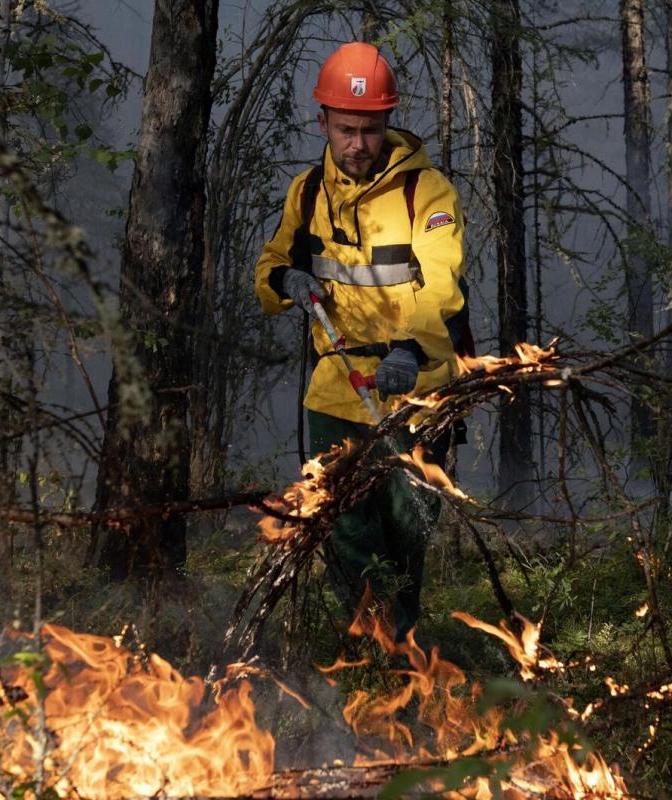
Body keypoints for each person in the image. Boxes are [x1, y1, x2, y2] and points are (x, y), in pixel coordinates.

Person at [253, 42, 471, 641]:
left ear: (387, 123)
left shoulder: (426, 194)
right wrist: (285, 279)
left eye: (369, 130)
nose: (357, 144)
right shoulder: (306, 194)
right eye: (346, 129)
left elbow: (441, 284)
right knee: (344, 525)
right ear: (322, 121)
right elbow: (270, 267)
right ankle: (383, 646)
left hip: (415, 391)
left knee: (407, 529)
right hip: (334, 392)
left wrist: (409, 347)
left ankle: (402, 648)